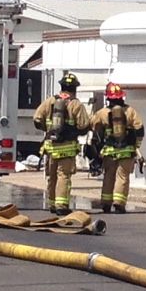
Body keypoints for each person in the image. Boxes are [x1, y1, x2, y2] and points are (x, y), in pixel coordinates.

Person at [32, 72, 91, 215]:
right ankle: (61, 205)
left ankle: (52, 204)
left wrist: (48, 130)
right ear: (74, 88)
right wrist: (73, 132)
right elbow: (84, 125)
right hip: (68, 149)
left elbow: (37, 119)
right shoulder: (75, 104)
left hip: (51, 147)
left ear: (61, 86)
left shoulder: (50, 101)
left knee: (52, 176)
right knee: (63, 176)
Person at [88, 82, 145, 213]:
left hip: (109, 151)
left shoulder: (102, 113)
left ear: (108, 98)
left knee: (109, 176)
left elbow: (93, 127)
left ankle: (106, 203)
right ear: (121, 97)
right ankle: (119, 203)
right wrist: (136, 146)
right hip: (126, 152)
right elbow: (140, 130)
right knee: (122, 177)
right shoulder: (130, 111)